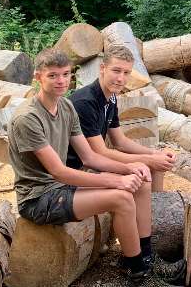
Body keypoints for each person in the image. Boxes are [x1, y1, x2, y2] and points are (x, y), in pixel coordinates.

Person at [9, 48, 185, 287]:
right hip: (38, 198)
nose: (61, 81)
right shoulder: (28, 117)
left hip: (61, 189)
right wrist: (117, 180)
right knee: (121, 198)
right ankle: (139, 280)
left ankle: (142, 258)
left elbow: (90, 157)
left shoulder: (66, 108)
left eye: (66, 75)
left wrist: (131, 169)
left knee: (138, 184)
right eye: (53, 76)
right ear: (38, 77)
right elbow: (59, 172)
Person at [67, 45, 177, 195]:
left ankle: (157, 209)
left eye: (126, 73)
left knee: (156, 165)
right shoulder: (85, 102)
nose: (121, 79)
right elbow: (100, 152)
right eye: (116, 71)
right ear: (102, 68)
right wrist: (148, 160)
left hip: (94, 162)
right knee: (142, 178)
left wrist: (154, 154)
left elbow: (120, 142)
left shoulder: (111, 97)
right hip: (76, 169)